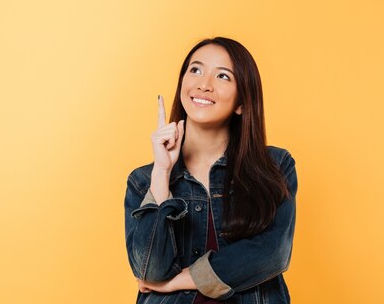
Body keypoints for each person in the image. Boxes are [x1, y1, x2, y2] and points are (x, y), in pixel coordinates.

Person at [124, 37, 298, 304]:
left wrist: (179, 281)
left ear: (242, 102)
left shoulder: (274, 166)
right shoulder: (143, 180)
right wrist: (162, 172)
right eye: (195, 70)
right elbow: (150, 270)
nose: (204, 84)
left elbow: (273, 253)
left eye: (223, 76)